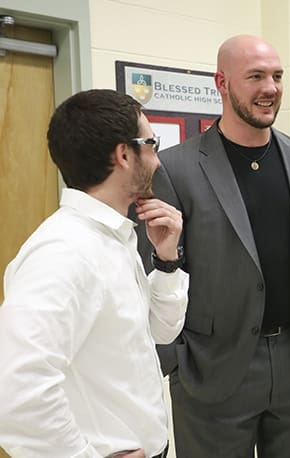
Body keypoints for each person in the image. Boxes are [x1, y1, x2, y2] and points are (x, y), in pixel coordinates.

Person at [136, 34, 290, 457]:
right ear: (222, 83)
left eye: (276, 76)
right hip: (213, 366)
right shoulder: (175, 168)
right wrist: (176, 358)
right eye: (255, 76)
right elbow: (153, 272)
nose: (270, 88)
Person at [0, 89, 188, 457]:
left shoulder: (113, 238)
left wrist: (166, 261)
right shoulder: (64, 252)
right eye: (151, 143)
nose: (158, 161)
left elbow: (162, 331)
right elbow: (14, 390)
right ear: (123, 154)